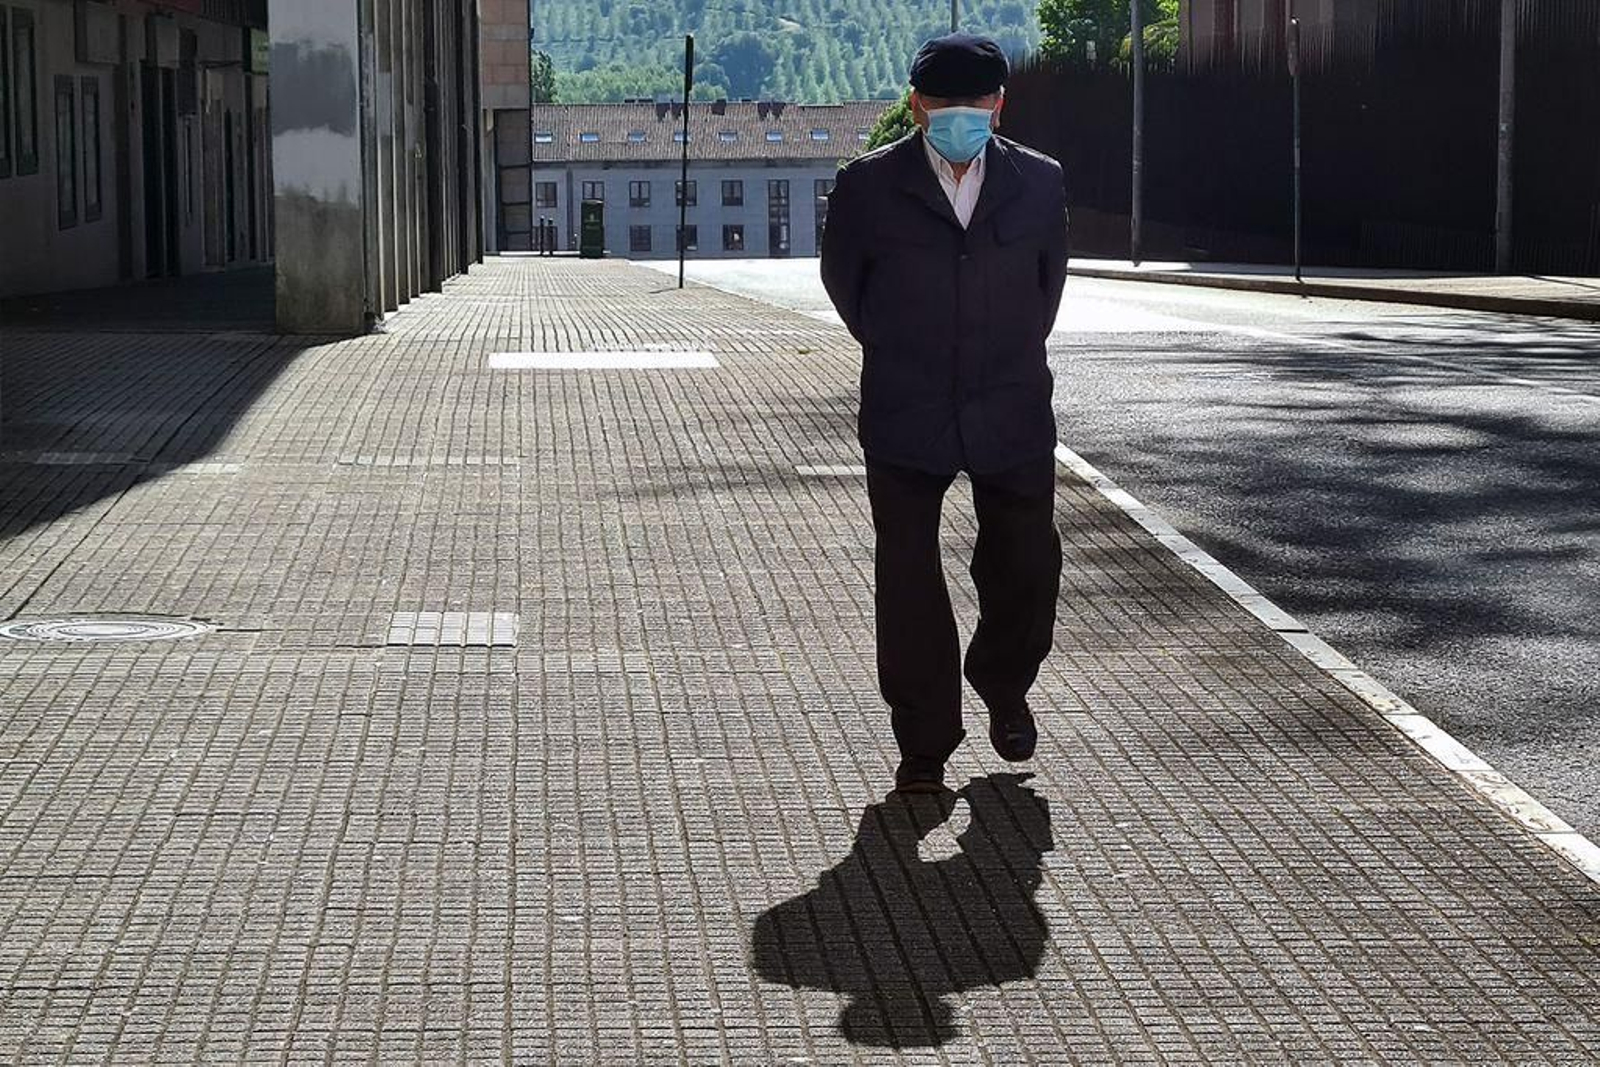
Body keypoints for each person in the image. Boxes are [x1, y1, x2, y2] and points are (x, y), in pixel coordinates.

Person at [820, 33, 1070, 795]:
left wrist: (1003, 349)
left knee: (1026, 559)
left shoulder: (1038, 182)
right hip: (907, 404)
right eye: (945, 103)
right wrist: (904, 346)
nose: (961, 114)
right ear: (917, 104)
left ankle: (1004, 681)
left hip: (1011, 401)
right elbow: (845, 287)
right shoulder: (867, 185)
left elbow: (1045, 289)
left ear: (999, 104)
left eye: (976, 102)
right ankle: (923, 739)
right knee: (907, 574)